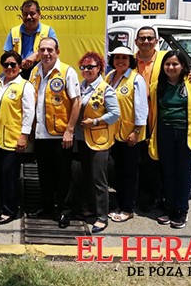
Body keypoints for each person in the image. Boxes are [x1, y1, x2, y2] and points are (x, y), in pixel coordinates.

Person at [133, 26, 191, 211]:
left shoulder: (166, 58)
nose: (146, 41)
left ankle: (164, 201)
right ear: (136, 41)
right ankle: (145, 199)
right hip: (136, 120)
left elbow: (185, 71)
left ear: (156, 41)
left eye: (149, 38)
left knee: (161, 165)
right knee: (141, 162)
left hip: (157, 120)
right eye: (142, 38)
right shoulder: (129, 60)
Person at [149, 50, 191, 229]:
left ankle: (181, 210)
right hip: (164, 132)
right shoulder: (156, 86)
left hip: (186, 133)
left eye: (175, 64)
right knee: (167, 172)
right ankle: (169, 207)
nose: (171, 67)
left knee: (183, 174)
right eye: (167, 64)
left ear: (182, 65)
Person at [28, 37, 81, 229]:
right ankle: (46, 206)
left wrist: (69, 130)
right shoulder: (35, 71)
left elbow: (76, 102)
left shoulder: (67, 72)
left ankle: (64, 210)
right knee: (44, 174)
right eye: (42, 50)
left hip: (60, 135)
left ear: (57, 52)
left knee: (63, 175)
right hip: (41, 133)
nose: (46, 53)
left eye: (50, 50)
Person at [0, 50, 35, 225]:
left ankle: (10, 210)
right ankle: (5, 205)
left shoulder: (25, 86)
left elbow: (29, 113)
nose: (9, 67)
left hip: (13, 138)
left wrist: (24, 136)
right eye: (6, 64)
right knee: (1, 174)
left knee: (9, 175)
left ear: (20, 66)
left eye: (13, 64)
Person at [75, 51, 120, 234]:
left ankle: (102, 217)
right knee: (86, 176)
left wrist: (95, 121)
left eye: (90, 67)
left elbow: (115, 114)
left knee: (99, 180)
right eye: (83, 67)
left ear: (99, 68)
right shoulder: (81, 86)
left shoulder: (105, 89)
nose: (86, 70)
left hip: (99, 141)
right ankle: (89, 209)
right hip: (82, 139)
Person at [105, 46, 148, 223]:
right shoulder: (110, 76)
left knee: (130, 173)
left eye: (124, 58)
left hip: (131, 135)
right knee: (119, 171)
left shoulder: (136, 79)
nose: (120, 61)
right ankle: (120, 204)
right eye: (117, 57)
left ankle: (128, 208)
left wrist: (136, 131)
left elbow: (141, 108)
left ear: (130, 60)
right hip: (115, 134)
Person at [3, 0, 57, 79]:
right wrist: (18, 63)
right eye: (25, 14)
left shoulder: (48, 31)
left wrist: (35, 56)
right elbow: (6, 55)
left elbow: (54, 51)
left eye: (32, 14)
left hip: (42, 71)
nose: (28, 17)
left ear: (39, 14)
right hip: (18, 71)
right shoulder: (14, 31)